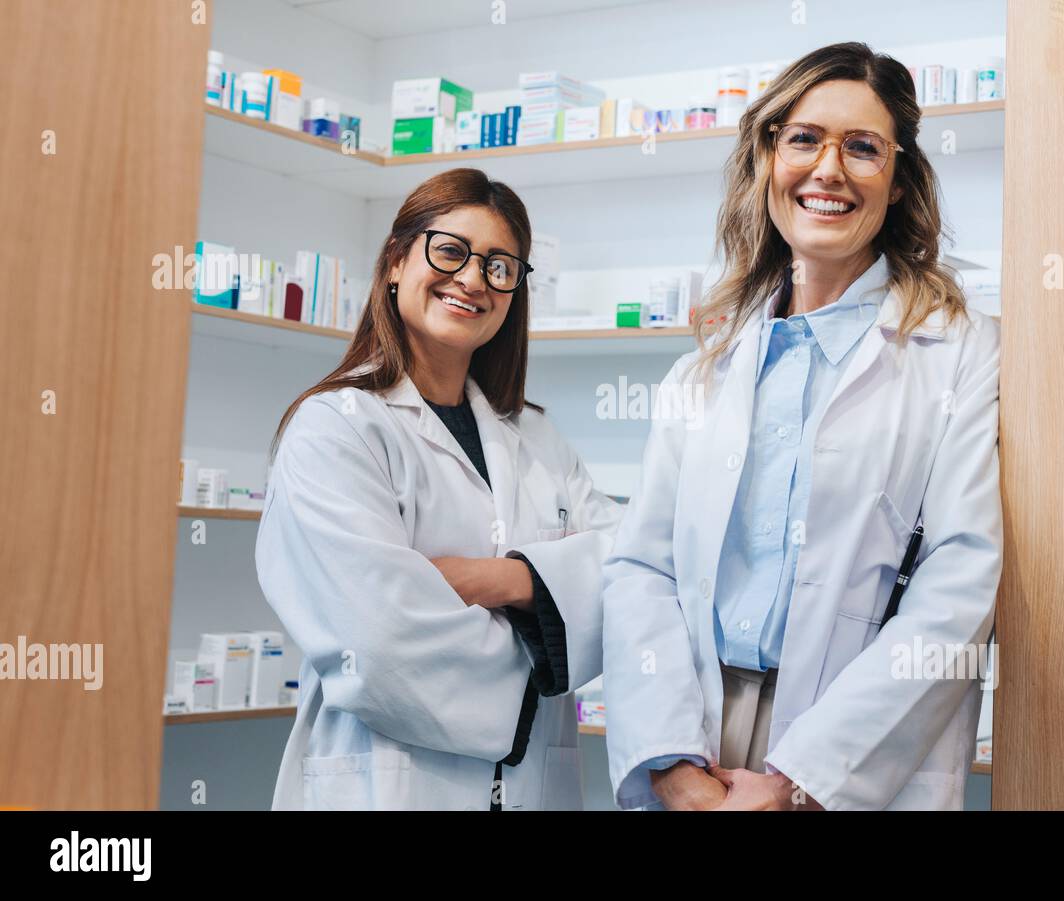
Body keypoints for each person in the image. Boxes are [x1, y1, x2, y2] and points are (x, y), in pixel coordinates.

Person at [602, 42, 1001, 811]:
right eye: (805, 139)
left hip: (853, 750)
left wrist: (800, 784)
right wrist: (671, 760)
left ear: (899, 177)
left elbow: (959, 583)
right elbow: (641, 570)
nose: (829, 170)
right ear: (768, 158)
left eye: (863, 148)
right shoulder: (708, 365)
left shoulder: (958, 351)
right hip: (699, 739)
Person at [256, 168, 620, 810]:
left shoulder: (537, 437)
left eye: (501, 266)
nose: (475, 280)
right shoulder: (336, 428)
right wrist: (553, 618)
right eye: (451, 251)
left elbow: (632, 571)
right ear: (396, 261)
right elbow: (379, 641)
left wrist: (510, 581)